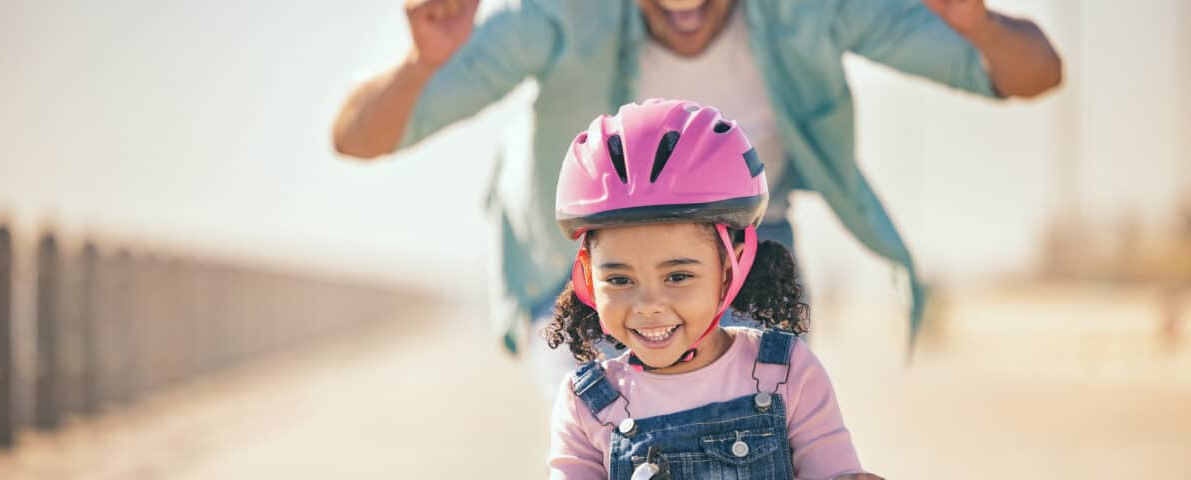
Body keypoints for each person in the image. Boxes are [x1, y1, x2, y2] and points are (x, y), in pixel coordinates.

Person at [331, 0, 1062, 393]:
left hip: (742, 246)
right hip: (585, 263)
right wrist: (421, 65)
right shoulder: (561, 16)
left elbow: (1035, 73)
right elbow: (357, 137)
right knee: (608, 434)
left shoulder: (811, 10)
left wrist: (977, 24)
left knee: (766, 420)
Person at [544, 98, 879, 479]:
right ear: (588, 276)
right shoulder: (585, 404)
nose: (648, 304)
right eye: (620, 280)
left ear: (728, 269)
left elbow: (832, 469)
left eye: (677, 276)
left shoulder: (788, 372)